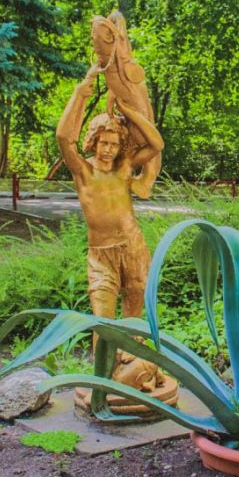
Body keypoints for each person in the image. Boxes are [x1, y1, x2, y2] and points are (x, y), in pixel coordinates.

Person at [55, 63, 164, 333]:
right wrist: (82, 91)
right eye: (104, 142)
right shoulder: (83, 171)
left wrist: (128, 112)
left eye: (114, 145)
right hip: (101, 255)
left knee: (134, 326)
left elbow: (156, 144)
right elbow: (64, 137)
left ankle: (134, 360)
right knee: (104, 326)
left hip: (133, 248)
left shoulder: (124, 168)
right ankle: (104, 362)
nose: (108, 149)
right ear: (94, 141)